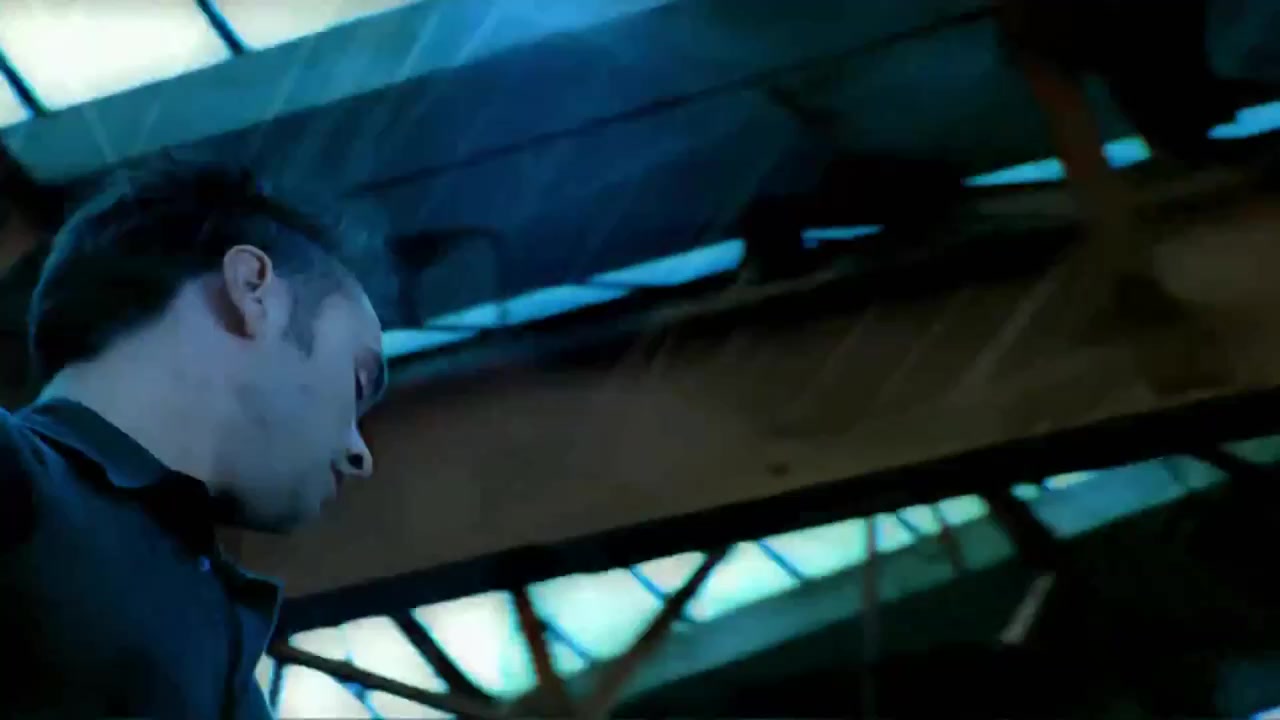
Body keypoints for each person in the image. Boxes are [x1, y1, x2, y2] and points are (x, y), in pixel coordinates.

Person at [0, 161, 393, 719]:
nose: (360, 453)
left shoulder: (207, 614)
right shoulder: (18, 480)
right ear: (253, 289)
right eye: (358, 381)